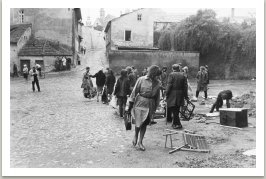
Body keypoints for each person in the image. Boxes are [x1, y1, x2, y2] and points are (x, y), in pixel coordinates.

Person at [128, 65, 161, 151]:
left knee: (145, 123)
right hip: (140, 103)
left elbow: (157, 96)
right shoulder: (141, 79)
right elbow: (134, 92)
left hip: (150, 104)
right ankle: (135, 135)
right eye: (157, 75)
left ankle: (140, 142)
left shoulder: (158, 83)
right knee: (139, 122)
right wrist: (130, 104)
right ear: (153, 74)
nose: (158, 77)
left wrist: (156, 107)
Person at [166, 64, 188, 129]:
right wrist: (185, 95)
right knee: (177, 109)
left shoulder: (171, 75)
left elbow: (169, 85)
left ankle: (177, 124)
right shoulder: (183, 75)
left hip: (172, 93)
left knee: (173, 109)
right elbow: (185, 86)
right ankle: (176, 123)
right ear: (179, 68)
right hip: (180, 93)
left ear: (172, 69)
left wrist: (166, 93)